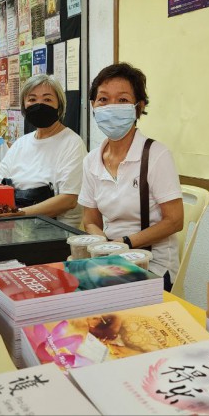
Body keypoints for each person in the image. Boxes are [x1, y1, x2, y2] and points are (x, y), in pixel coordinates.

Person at [78, 63, 184, 292]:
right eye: (103, 99)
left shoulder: (156, 155)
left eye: (123, 100)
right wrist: (103, 246)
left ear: (139, 107)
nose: (111, 106)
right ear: (93, 106)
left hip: (152, 264)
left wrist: (125, 244)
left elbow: (175, 220)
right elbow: (90, 221)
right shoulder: (91, 161)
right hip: (109, 261)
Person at [0, 74, 86, 228]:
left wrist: (21, 214)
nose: (39, 105)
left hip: (56, 232)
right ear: (24, 106)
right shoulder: (20, 144)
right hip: (14, 228)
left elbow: (69, 200)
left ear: (59, 106)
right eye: (32, 99)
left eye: (47, 99)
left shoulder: (72, 143)